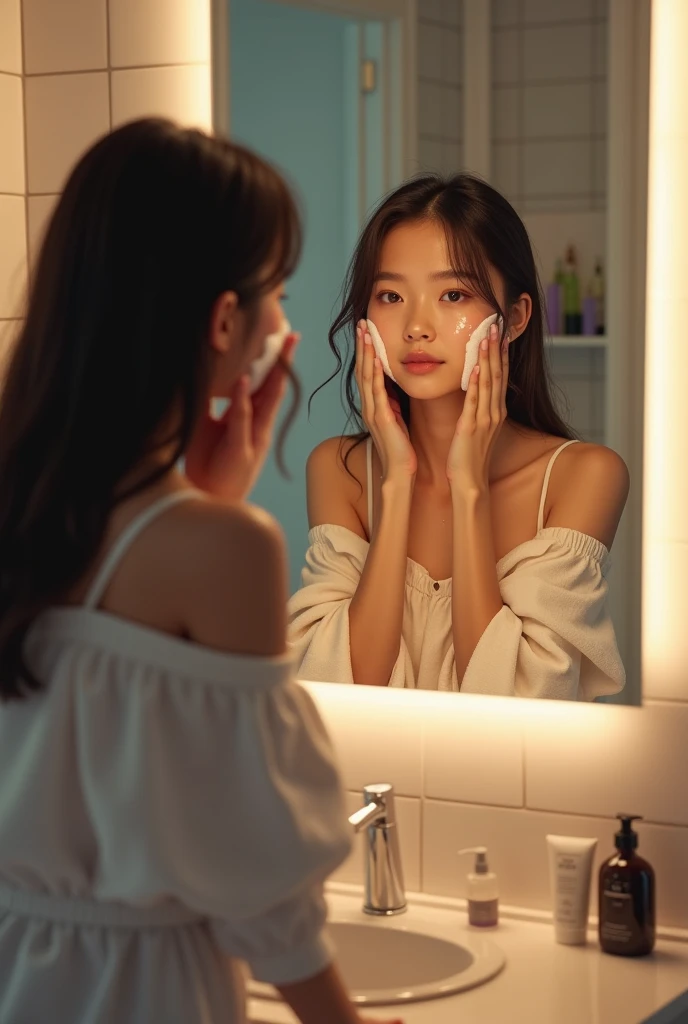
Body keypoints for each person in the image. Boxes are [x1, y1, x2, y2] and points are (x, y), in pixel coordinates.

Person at [0, 118, 402, 1024]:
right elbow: (256, 886)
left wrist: (203, 492)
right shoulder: (224, 550)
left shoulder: (26, 513)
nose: (285, 326)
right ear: (227, 320)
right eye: (280, 294)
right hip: (137, 995)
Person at [288, 173, 628, 700]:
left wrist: (469, 487)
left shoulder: (583, 476)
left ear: (514, 318)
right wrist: (395, 484)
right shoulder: (339, 470)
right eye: (390, 295)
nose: (417, 326)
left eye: (453, 294)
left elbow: (513, 701)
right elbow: (342, 690)